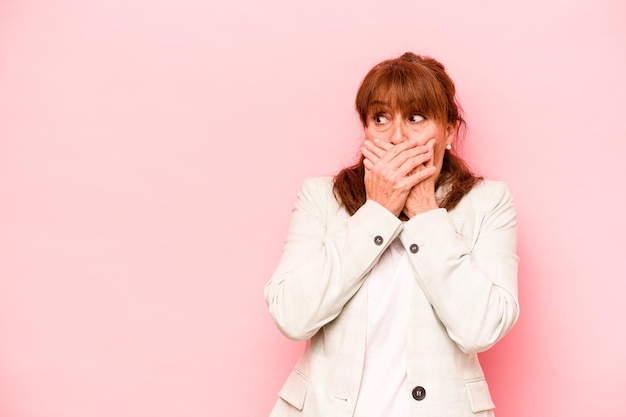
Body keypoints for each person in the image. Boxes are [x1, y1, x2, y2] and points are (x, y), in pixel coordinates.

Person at [264, 52, 519, 417]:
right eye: (380, 118)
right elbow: (292, 315)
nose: (397, 136)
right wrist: (378, 213)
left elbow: (482, 328)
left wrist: (425, 213)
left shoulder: (488, 203)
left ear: (448, 131)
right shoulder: (322, 197)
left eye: (416, 117)